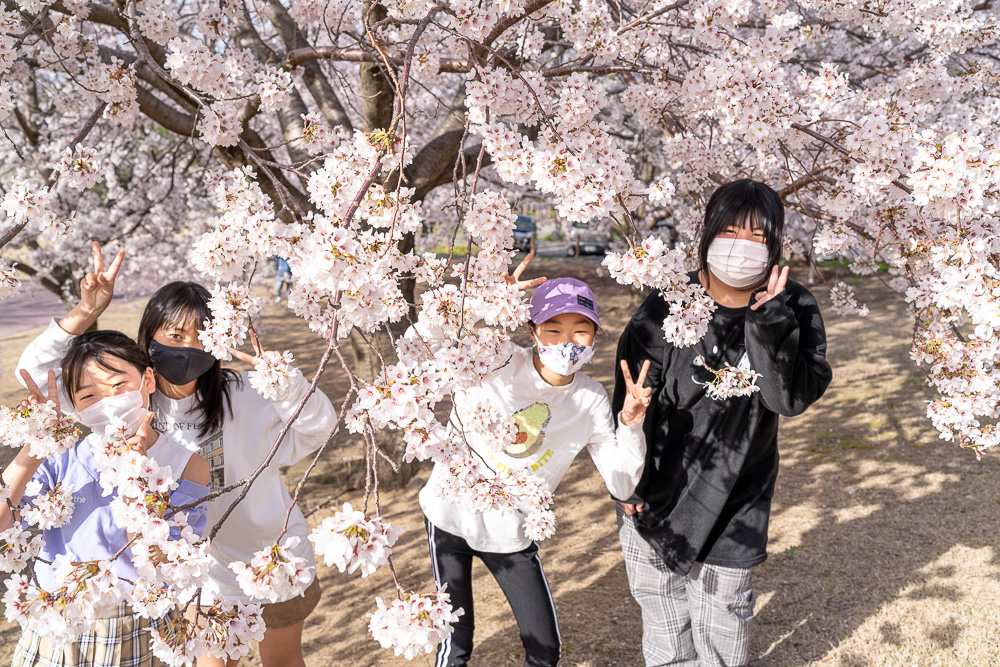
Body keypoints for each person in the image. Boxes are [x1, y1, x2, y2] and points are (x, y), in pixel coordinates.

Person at [16, 243, 338, 667]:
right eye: (175, 335)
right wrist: (86, 311)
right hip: (196, 572)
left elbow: (319, 429)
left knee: (282, 660)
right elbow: (37, 374)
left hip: (269, 553)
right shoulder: (128, 401)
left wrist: (286, 383)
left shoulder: (247, 394)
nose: (189, 347)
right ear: (149, 339)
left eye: (202, 336)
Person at [612, 179, 834, 667]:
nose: (742, 246)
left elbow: (787, 399)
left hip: (736, 501)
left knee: (723, 636)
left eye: (758, 237)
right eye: (731, 231)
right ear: (708, 232)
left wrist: (769, 321)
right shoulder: (668, 301)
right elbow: (627, 401)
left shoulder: (793, 305)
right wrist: (627, 484)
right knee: (667, 637)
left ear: (775, 245)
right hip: (657, 497)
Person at [412, 257, 653, 667]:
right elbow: (422, 345)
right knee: (455, 643)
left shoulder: (590, 400)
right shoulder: (496, 358)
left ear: (595, 335)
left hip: (511, 530)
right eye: (553, 329)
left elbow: (622, 484)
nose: (567, 341)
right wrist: (485, 302)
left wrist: (630, 425)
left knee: (544, 649)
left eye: (580, 330)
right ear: (532, 331)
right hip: (449, 514)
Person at [4, 332, 210, 667]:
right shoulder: (61, 457)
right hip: (58, 615)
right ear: (76, 408)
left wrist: (136, 477)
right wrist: (37, 444)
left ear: (147, 380)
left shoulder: (187, 465)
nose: (108, 401)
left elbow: (154, 563)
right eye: (88, 395)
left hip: (134, 621)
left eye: (118, 385)